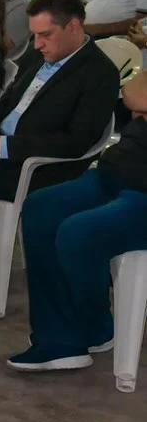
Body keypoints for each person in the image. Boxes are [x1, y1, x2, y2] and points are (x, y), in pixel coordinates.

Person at [8, 71, 147, 372]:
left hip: (142, 194)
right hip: (116, 172)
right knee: (41, 206)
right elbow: (134, 92)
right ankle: (59, 339)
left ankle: (92, 323)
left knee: (78, 233)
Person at [0, 0, 119, 203]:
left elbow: (77, 142)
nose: (37, 43)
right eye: (34, 35)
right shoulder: (37, 55)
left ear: (72, 26)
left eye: (45, 34)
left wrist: (4, 145)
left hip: (37, 167)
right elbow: (8, 104)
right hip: (1, 147)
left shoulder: (100, 73)